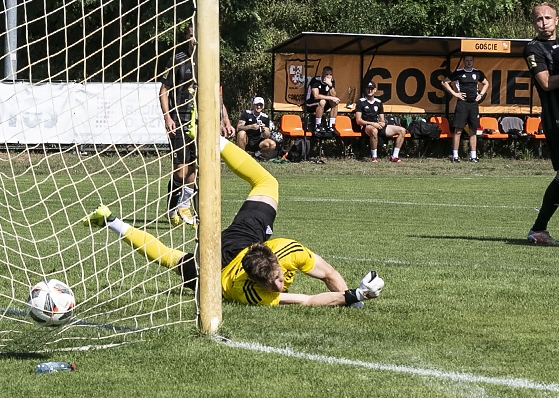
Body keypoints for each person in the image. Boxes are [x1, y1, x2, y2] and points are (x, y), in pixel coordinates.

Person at [86, 139, 385, 306]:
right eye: (276, 283)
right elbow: (306, 300)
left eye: (279, 278)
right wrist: (354, 295)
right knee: (171, 258)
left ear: (272, 252)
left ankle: (214, 140)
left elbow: (328, 273)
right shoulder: (252, 293)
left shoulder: (285, 249)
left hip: (244, 243)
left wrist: (354, 300)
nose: (280, 286)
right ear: (259, 283)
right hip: (215, 271)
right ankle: (112, 221)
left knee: (267, 181)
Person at [523, 3, 559, 246]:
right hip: (557, 119)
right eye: (539, 19)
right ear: (533, 22)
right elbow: (546, 83)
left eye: (548, 18)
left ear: (557, 20)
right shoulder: (533, 49)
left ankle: (540, 230)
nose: (544, 22)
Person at [158, 23, 197, 227]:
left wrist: (223, 119)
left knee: (194, 169)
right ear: (187, 37)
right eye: (191, 35)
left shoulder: (208, 62)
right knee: (181, 171)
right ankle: (173, 207)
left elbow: (218, 92)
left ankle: (184, 205)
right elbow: (163, 90)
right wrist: (168, 117)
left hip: (199, 122)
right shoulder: (178, 60)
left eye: (197, 35)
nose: (194, 39)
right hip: (180, 119)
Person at [442, 55, 489, 163]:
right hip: (462, 103)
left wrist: (481, 95)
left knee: (473, 130)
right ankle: (455, 155)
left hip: (473, 104)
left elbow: (486, 83)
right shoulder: (458, 72)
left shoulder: (477, 73)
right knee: (458, 130)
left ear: (473, 61)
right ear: (464, 61)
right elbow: (444, 82)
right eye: (467, 60)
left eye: (470, 60)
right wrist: (455, 94)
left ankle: (473, 156)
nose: (468, 62)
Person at [353, 81, 407, 163]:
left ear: (375, 90)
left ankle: (394, 156)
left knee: (402, 130)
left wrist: (382, 123)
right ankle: (374, 157)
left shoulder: (378, 102)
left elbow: (382, 119)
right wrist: (373, 124)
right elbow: (358, 120)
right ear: (365, 90)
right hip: (367, 126)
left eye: (371, 89)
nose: (370, 91)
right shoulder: (361, 102)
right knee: (374, 130)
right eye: (368, 89)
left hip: (377, 125)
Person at [305, 66, 339, 133]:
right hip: (310, 103)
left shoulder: (331, 81)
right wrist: (331, 98)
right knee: (322, 101)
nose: (328, 76)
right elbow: (316, 96)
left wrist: (330, 86)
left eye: (330, 74)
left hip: (322, 105)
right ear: (322, 73)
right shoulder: (316, 80)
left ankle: (331, 126)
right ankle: (318, 125)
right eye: (326, 74)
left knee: (335, 102)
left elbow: (333, 95)